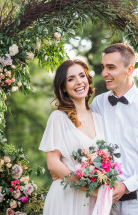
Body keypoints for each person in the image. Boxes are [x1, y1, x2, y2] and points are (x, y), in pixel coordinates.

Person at [90, 43, 138, 215]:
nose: (104, 74)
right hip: (106, 204)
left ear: (129, 69)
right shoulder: (98, 103)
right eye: (103, 67)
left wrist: (125, 186)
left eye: (111, 67)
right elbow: (91, 147)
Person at [39, 59, 105, 215]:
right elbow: (53, 163)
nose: (78, 82)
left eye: (82, 76)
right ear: (63, 87)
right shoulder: (58, 117)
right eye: (71, 79)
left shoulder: (99, 119)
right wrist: (87, 187)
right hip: (67, 197)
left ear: (88, 79)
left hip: (93, 200)